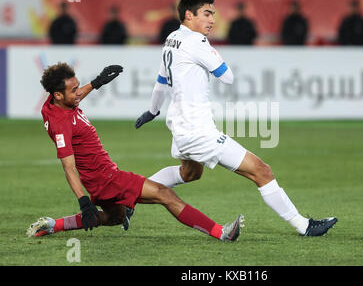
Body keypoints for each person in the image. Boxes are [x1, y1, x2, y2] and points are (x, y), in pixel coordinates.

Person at [134, 0, 337, 237]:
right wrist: (210, 52)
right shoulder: (196, 42)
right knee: (261, 170)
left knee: (190, 173)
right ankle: (303, 225)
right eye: (207, 14)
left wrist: (153, 111)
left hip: (179, 126)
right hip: (199, 132)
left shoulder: (171, 39)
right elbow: (227, 76)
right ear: (189, 15)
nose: (212, 20)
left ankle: (130, 197)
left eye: (213, 14)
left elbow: (161, 80)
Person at [26, 62, 244, 242]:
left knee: (114, 217)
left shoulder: (55, 103)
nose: (78, 93)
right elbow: (68, 166)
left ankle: (54, 225)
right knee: (164, 194)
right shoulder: (60, 124)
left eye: (78, 87)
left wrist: (96, 83)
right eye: (74, 90)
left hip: (101, 178)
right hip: (106, 178)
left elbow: (72, 97)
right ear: (57, 95)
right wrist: (83, 200)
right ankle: (221, 232)